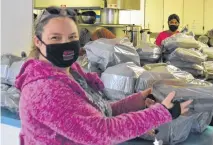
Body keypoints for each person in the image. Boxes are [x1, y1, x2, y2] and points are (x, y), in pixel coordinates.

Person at [16, 7, 192, 145]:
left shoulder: (71, 73)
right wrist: (160, 114)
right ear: (38, 41)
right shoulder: (44, 90)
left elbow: (97, 112)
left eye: (72, 37)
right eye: (55, 38)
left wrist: (137, 100)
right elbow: (102, 131)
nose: (66, 44)